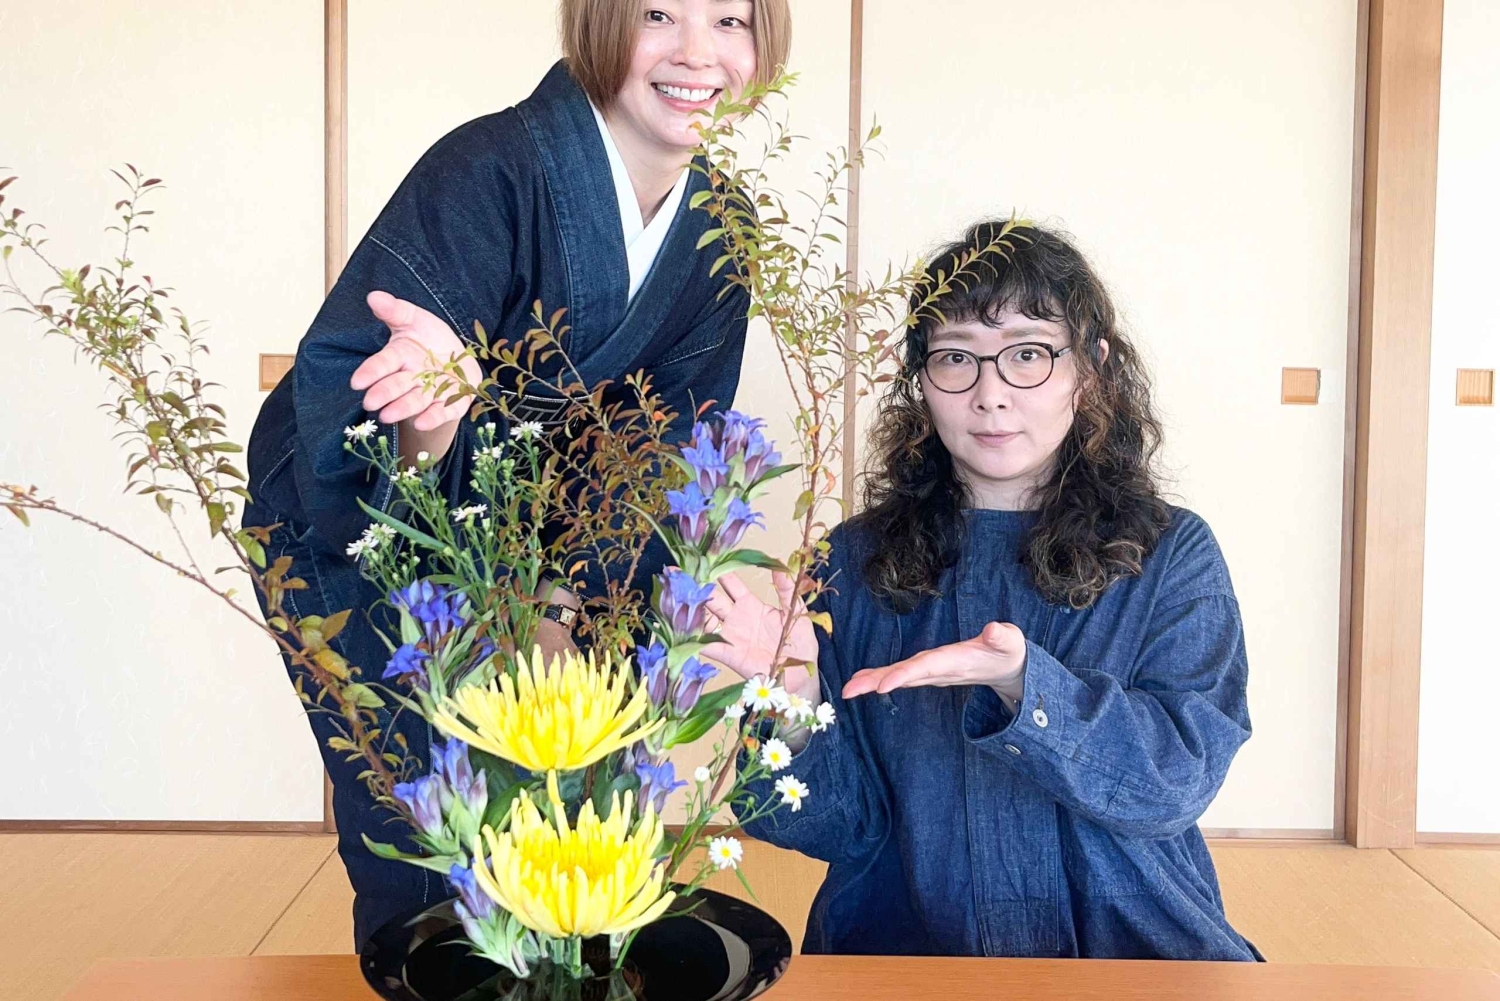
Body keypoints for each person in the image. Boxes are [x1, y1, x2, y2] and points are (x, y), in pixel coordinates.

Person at [243, 0, 791, 949]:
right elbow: (365, 426)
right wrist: (428, 416)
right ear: (601, 21)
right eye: (659, 13)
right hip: (360, 522)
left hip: (546, 544)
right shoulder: (490, 170)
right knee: (433, 830)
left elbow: (657, 445)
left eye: (731, 21)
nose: (697, 53)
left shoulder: (720, 224)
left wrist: (562, 607)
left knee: (580, 820)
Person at [704, 221, 1261, 960]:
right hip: (906, 953)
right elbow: (837, 828)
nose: (990, 395)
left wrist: (1026, 685)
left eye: (1028, 353)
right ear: (921, 380)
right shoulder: (856, 560)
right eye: (956, 357)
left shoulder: (1170, 553)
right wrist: (794, 701)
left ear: (1091, 368)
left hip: (1132, 951)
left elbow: (1176, 783)